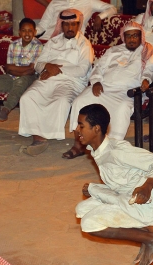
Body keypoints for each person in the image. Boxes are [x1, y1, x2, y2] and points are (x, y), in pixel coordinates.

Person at [75, 104, 153, 265]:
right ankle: (149, 228)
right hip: (126, 197)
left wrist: (147, 187)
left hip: (145, 202)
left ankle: (151, 239)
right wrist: (96, 189)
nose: (77, 129)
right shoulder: (99, 150)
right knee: (81, 208)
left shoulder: (117, 151)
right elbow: (120, 181)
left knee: (89, 223)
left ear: (96, 129)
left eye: (81, 126)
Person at [63, 21, 153, 159]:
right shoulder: (113, 51)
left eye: (135, 36)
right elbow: (98, 68)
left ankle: (112, 148)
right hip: (104, 88)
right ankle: (79, 145)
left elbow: (151, 70)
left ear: (140, 36)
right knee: (80, 101)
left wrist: (146, 80)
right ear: (123, 37)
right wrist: (96, 82)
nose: (132, 39)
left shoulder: (147, 52)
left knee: (122, 109)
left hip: (127, 92)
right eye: (128, 36)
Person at [18, 9, 93, 156]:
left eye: (73, 24)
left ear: (78, 25)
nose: (70, 28)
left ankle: (44, 135)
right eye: (66, 24)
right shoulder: (53, 42)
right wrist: (47, 66)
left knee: (61, 101)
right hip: (48, 77)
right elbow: (39, 64)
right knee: (28, 97)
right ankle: (37, 136)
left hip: (71, 81)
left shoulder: (84, 45)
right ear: (61, 25)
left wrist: (56, 69)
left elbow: (82, 70)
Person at [0, 17, 42, 122]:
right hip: (13, 76)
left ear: (35, 32)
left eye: (30, 31)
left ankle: (6, 110)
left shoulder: (38, 46)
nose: (27, 33)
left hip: (30, 78)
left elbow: (31, 70)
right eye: (24, 30)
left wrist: (18, 70)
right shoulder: (13, 45)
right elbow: (8, 68)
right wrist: (22, 71)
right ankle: (19, 89)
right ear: (19, 32)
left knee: (21, 81)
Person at [35, 0, 116, 41]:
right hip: (47, 40)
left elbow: (112, 8)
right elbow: (43, 25)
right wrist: (32, 32)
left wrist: (99, 17)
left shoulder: (89, 1)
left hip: (71, 42)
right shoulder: (55, 2)